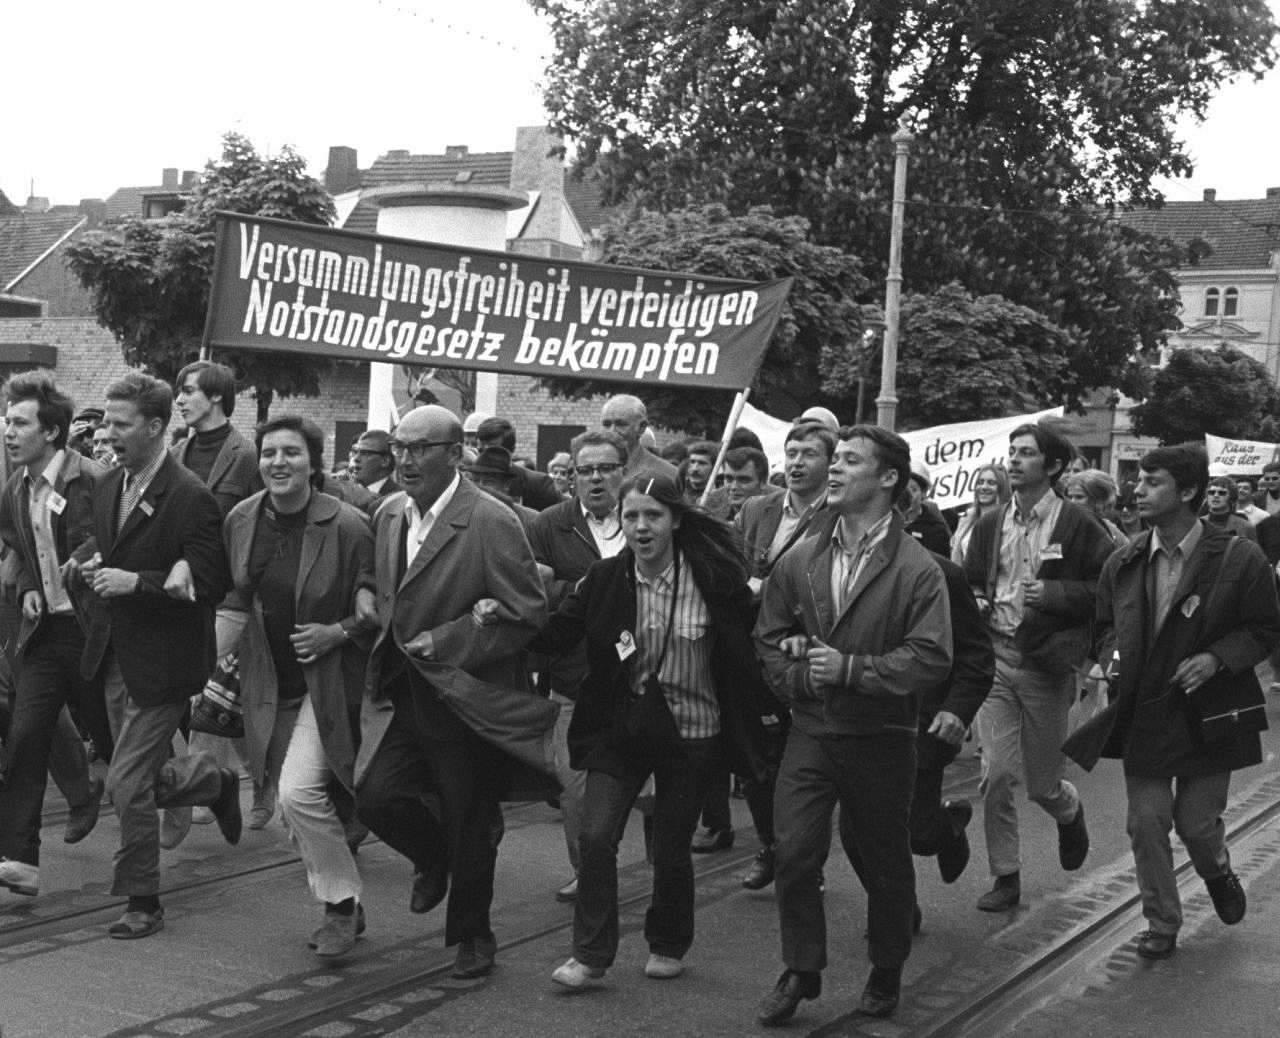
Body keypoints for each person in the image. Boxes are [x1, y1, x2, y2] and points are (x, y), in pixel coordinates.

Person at [528, 475, 766, 989]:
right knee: (596, 837)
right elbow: (553, 635)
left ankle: (667, 942)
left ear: (676, 520)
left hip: (693, 733)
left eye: (652, 515)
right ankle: (591, 956)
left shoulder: (715, 579)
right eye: (631, 516)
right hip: (623, 729)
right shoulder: (605, 578)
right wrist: (499, 611)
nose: (640, 526)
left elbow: (759, 633)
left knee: (671, 845)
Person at [755, 425, 953, 1024]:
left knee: (882, 861)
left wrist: (851, 670)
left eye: (850, 461)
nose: (833, 470)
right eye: (833, 459)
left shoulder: (919, 569)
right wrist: (798, 679)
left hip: (883, 739)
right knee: (792, 851)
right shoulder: (802, 557)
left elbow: (931, 657)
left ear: (889, 478)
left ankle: (886, 968)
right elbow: (766, 638)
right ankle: (801, 968)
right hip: (812, 731)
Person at [353, 404, 549, 981]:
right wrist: (367, 593)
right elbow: (380, 576)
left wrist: (455, 637)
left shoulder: (490, 520)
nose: (405, 460)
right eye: (399, 447)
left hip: (466, 695)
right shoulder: (390, 512)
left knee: (471, 816)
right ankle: (435, 860)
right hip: (403, 688)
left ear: (454, 452)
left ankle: (474, 936)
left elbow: (527, 611)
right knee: (375, 797)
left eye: (420, 449)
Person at [1093, 444, 1280, 959]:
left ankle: (1217, 870)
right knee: (1146, 822)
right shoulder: (1124, 559)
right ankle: (1162, 922)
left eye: (1153, 482)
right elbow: (1103, 627)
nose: (1138, 489)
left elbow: (1265, 628)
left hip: (1210, 713)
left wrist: (1217, 659)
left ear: (1190, 491)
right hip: (1147, 711)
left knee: (1197, 825)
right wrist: (1113, 657)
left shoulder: (1240, 557)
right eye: (1139, 480)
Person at [72, 371, 239, 939]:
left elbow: (213, 578)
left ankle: (143, 900)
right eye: (107, 423)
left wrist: (139, 582)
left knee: (123, 781)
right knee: (136, 778)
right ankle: (211, 781)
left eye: (121, 425)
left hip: (166, 664)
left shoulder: (190, 495)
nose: (108, 434)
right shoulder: (107, 484)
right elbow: (109, 542)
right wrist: (88, 561)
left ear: (156, 427)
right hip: (114, 654)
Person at [221, 415, 376, 959]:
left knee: (298, 793)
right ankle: (347, 902)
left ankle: (338, 908)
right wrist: (208, 666)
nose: (278, 463)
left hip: (328, 682)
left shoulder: (349, 525)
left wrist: (338, 631)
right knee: (292, 802)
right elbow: (239, 594)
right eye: (268, 453)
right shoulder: (242, 518)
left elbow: (380, 607)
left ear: (314, 462)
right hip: (269, 677)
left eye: (291, 453)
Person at [963, 423, 1111, 913]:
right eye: (1012, 452)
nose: (1014, 460)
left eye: (1026, 453)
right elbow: (970, 583)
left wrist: (1055, 594)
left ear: (1051, 466)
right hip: (997, 661)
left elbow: (1107, 592)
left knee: (1043, 782)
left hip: (1046, 666)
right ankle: (1005, 875)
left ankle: (1068, 812)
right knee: (997, 774)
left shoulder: (1078, 525)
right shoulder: (989, 524)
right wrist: (979, 599)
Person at [0, 371, 113, 902]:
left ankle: (210, 785)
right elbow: (19, 544)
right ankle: (20, 858)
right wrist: (27, 584)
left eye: (19, 422)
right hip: (47, 634)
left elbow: (115, 542)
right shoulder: (15, 487)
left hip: (96, 634)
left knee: (124, 753)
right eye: (6, 421)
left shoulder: (91, 479)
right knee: (26, 736)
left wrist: (85, 562)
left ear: (51, 432)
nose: (8, 431)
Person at [527, 430, 630, 903]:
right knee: (573, 787)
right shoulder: (551, 525)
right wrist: (589, 592)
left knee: (647, 790)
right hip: (574, 678)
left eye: (605, 468)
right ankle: (587, 871)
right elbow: (532, 591)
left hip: (643, 679)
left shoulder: (644, 517)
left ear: (623, 471)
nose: (594, 478)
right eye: (584, 470)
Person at [731, 421, 834, 889]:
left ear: (829, 462)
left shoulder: (837, 513)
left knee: (806, 766)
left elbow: (828, 577)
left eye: (808, 453)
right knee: (755, 759)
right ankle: (772, 845)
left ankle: (803, 857)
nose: (796, 462)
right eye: (791, 452)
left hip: (804, 648)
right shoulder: (757, 508)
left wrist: (768, 587)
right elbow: (730, 559)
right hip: (753, 648)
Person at [172, 361, 264, 836]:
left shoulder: (246, 456)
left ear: (216, 396)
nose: (180, 400)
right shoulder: (176, 451)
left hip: (232, 592)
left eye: (189, 392)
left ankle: (204, 783)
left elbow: (265, 520)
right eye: (180, 392)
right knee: (231, 701)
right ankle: (256, 782)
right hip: (186, 591)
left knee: (199, 686)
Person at [475, 417, 563, 510]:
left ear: (511, 451)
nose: (485, 457)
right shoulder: (470, 481)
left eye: (493, 452)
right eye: (481, 451)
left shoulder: (538, 485)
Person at [601, 395, 679, 483]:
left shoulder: (668, 474)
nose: (612, 431)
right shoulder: (588, 470)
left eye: (621, 424)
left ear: (641, 427)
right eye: (606, 425)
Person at [950, 464, 1010, 564]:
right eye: (980, 482)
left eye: (991, 483)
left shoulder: (1008, 520)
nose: (984, 487)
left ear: (1001, 488)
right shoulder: (966, 519)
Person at [1063, 469, 1131, 551]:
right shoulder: (1059, 527)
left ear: (1098, 501)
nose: (1072, 502)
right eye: (1069, 497)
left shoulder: (1113, 534)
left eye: (1079, 497)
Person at [1201, 476, 1259, 543]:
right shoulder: (1198, 524)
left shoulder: (1246, 527)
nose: (1216, 495)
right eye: (1211, 492)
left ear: (1231, 498)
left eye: (1222, 493)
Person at [348, 430, 400, 499]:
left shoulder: (397, 498)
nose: (356, 458)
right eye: (355, 452)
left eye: (365, 453)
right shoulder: (346, 494)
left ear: (385, 461)